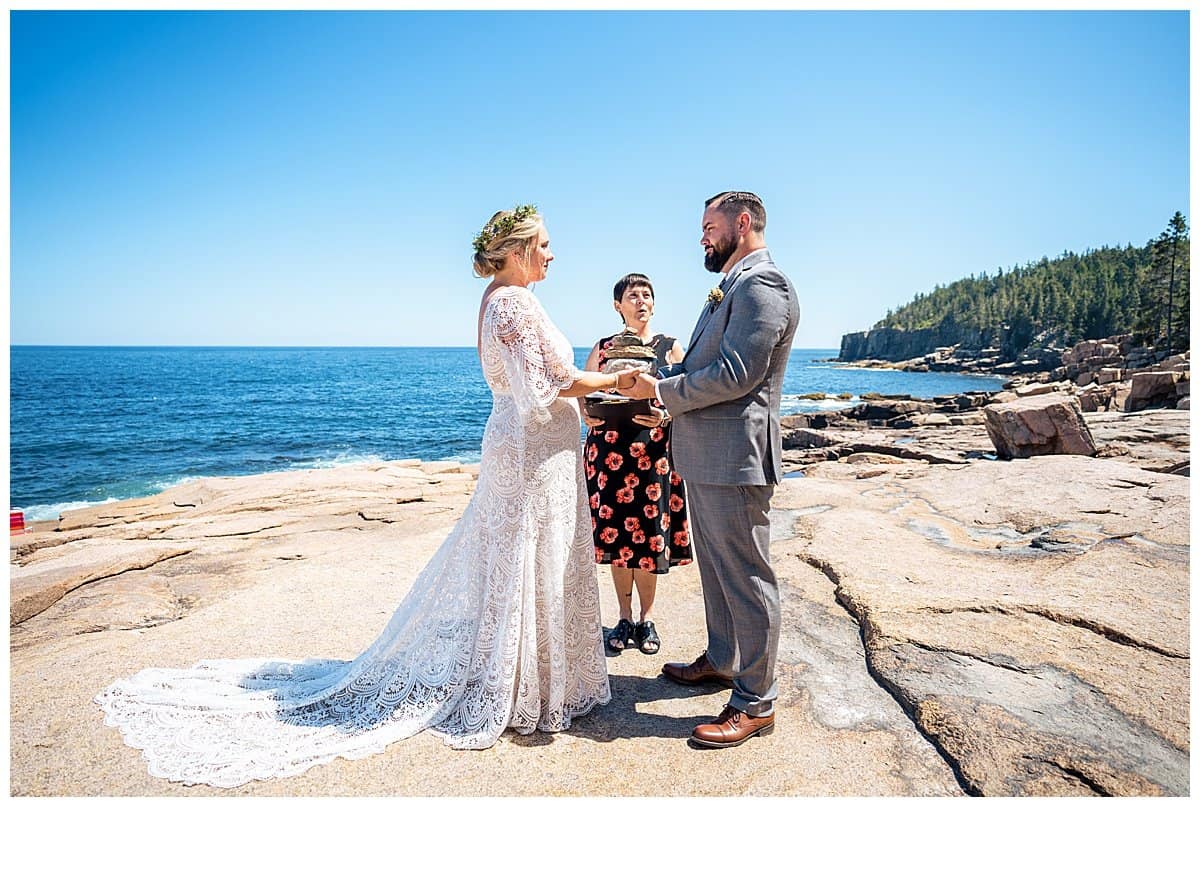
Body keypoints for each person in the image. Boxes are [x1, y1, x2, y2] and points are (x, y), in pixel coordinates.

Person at [94, 205, 642, 787]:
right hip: (532, 451)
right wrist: (617, 380)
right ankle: (522, 684)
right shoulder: (511, 300)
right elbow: (548, 383)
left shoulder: (499, 299)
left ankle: (530, 674)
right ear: (514, 249)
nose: (553, 254)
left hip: (531, 447)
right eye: (546, 244)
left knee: (517, 559)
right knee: (525, 557)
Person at [627, 191, 799, 749]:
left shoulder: (762, 285)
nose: (701, 235)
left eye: (709, 225)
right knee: (719, 572)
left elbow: (737, 373)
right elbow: (708, 365)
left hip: (735, 459)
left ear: (742, 224)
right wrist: (667, 396)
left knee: (747, 577)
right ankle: (724, 660)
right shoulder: (732, 282)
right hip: (707, 455)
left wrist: (667, 390)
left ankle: (756, 702)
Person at [581, 273, 692, 656]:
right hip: (608, 454)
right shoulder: (603, 347)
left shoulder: (671, 348)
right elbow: (583, 388)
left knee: (648, 539)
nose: (641, 301)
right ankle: (624, 617)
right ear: (618, 305)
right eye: (632, 296)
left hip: (654, 456)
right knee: (617, 540)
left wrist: (664, 418)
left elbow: (689, 396)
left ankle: (646, 620)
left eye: (647, 295)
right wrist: (586, 414)